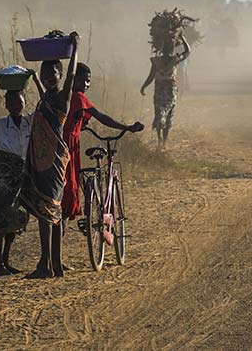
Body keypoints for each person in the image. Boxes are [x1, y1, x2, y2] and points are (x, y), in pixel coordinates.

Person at [62, 63, 143, 268]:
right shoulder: (78, 98)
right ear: (74, 79)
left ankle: (57, 255)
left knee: (65, 194)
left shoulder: (66, 97)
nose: (87, 83)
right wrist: (127, 127)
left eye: (89, 80)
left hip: (67, 146)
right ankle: (56, 257)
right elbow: (101, 117)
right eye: (83, 78)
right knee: (67, 195)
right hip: (69, 147)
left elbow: (83, 119)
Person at [18, 31, 79, 278]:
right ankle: (54, 263)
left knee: (47, 212)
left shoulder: (63, 97)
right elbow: (44, 99)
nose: (46, 77)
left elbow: (72, 75)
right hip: (43, 160)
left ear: (60, 76)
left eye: (51, 74)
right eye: (44, 74)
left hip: (52, 161)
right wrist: (33, 79)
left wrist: (75, 50)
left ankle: (48, 265)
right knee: (50, 212)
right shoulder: (48, 98)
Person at [0, 89, 31, 276]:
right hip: (2, 175)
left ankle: (6, 260)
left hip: (22, 175)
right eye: (11, 103)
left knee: (17, 218)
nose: (15, 106)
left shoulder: (29, 123)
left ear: (24, 102)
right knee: (0, 218)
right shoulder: (1, 125)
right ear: (6, 106)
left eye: (18, 102)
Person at [141, 34, 191, 150]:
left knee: (160, 113)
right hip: (170, 90)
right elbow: (188, 51)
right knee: (168, 114)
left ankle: (161, 141)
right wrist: (182, 37)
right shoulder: (175, 60)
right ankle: (163, 142)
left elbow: (151, 76)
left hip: (160, 90)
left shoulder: (157, 61)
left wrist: (144, 86)